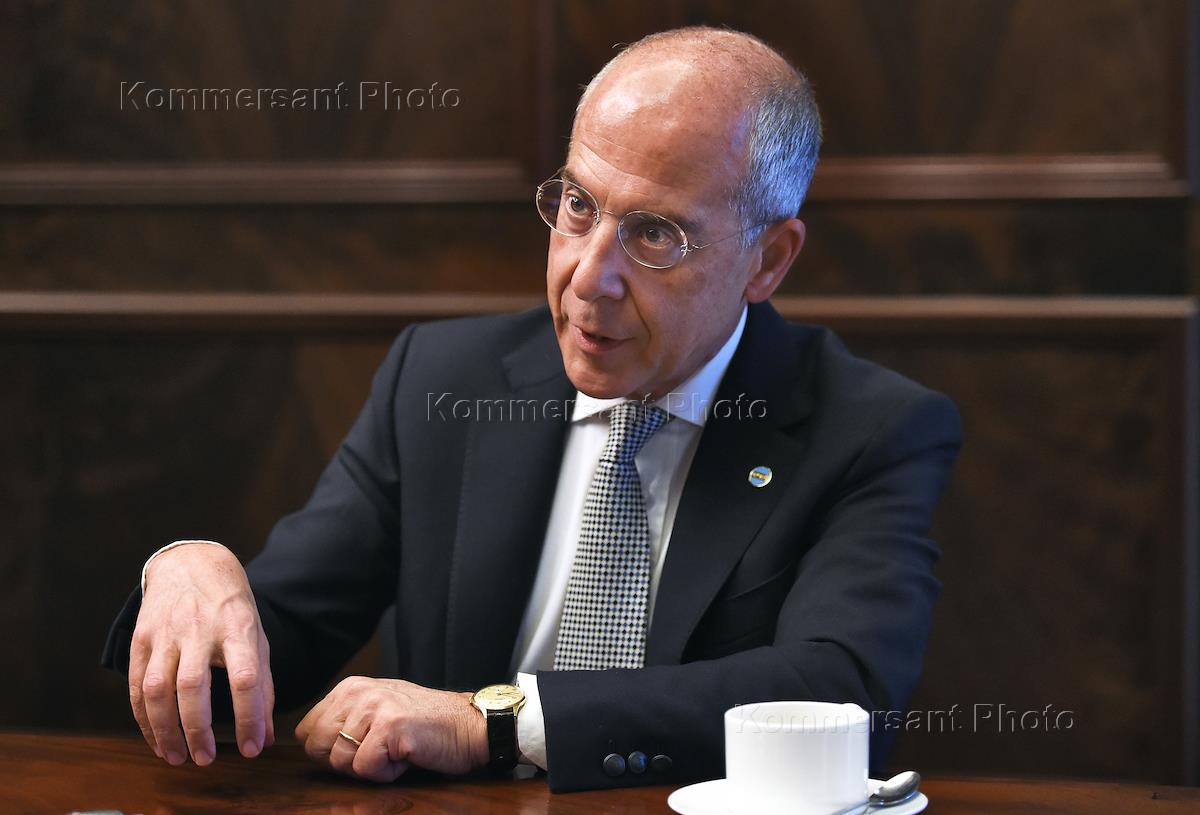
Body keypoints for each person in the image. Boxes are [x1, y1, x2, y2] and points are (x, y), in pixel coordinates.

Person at [103, 26, 961, 793]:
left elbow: (839, 696)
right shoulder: (441, 381)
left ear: (767, 259)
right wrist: (185, 571)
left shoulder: (870, 431)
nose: (588, 276)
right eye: (579, 206)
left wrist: (497, 721)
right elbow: (267, 652)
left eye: (654, 234)